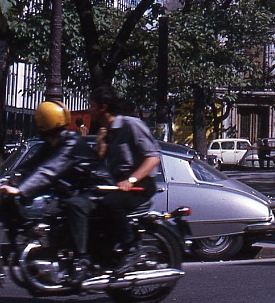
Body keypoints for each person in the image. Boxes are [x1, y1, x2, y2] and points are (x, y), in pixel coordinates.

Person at [0, 101, 108, 282]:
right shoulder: (51, 143)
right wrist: (10, 180)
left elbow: (49, 170)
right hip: (73, 190)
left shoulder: (70, 143)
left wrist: (20, 190)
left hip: (94, 189)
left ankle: (82, 261)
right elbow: (31, 166)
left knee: (74, 206)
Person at [89, 85, 162, 275]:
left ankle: (131, 247)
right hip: (119, 184)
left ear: (103, 107)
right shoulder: (108, 131)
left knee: (111, 204)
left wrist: (131, 179)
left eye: (93, 105)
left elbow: (153, 157)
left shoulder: (130, 125)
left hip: (140, 184)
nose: (90, 110)